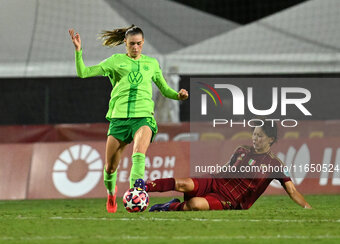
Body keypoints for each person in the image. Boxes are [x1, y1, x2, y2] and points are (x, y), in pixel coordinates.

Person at [68, 25, 189, 213]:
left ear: (143, 43)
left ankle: (136, 190)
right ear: (125, 43)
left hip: (143, 117)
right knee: (110, 167)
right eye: (132, 44)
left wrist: (178, 96)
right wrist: (78, 51)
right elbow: (83, 72)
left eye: (139, 44)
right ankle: (111, 194)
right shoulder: (115, 61)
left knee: (138, 153)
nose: (135, 47)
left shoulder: (152, 63)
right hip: (119, 120)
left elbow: (164, 89)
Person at [137, 121, 312, 211]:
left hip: (232, 199)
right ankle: (142, 187)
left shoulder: (275, 164)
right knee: (183, 184)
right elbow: (226, 169)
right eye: (254, 134)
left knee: (195, 205)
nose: (255, 138)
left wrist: (307, 207)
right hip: (216, 182)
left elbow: (292, 191)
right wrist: (206, 182)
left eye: (260, 136)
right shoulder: (242, 150)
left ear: (271, 139)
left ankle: (168, 207)